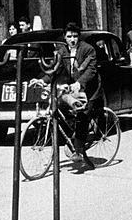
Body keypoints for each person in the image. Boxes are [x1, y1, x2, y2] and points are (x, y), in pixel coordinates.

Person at [41, 21, 102, 170]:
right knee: (61, 106)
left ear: (79, 36)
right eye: (69, 36)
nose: (72, 39)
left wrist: (79, 83)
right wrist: (42, 80)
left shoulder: (88, 50)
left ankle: (79, 151)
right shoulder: (62, 51)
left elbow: (91, 71)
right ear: (65, 37)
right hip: (74, 88)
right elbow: (55, 70)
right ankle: (75, 139)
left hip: (90, 88)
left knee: (82, 115)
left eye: (75, 36)